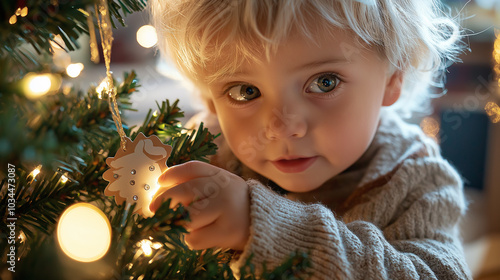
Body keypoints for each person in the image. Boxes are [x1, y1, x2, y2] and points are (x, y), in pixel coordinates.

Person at [148, 0, 472, 278]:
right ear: (209, 99)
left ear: (393, 77)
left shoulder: (415, 179)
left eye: (325, 82)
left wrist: (265, 228)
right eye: (245, 91)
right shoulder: (199, 156)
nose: (282, 128)